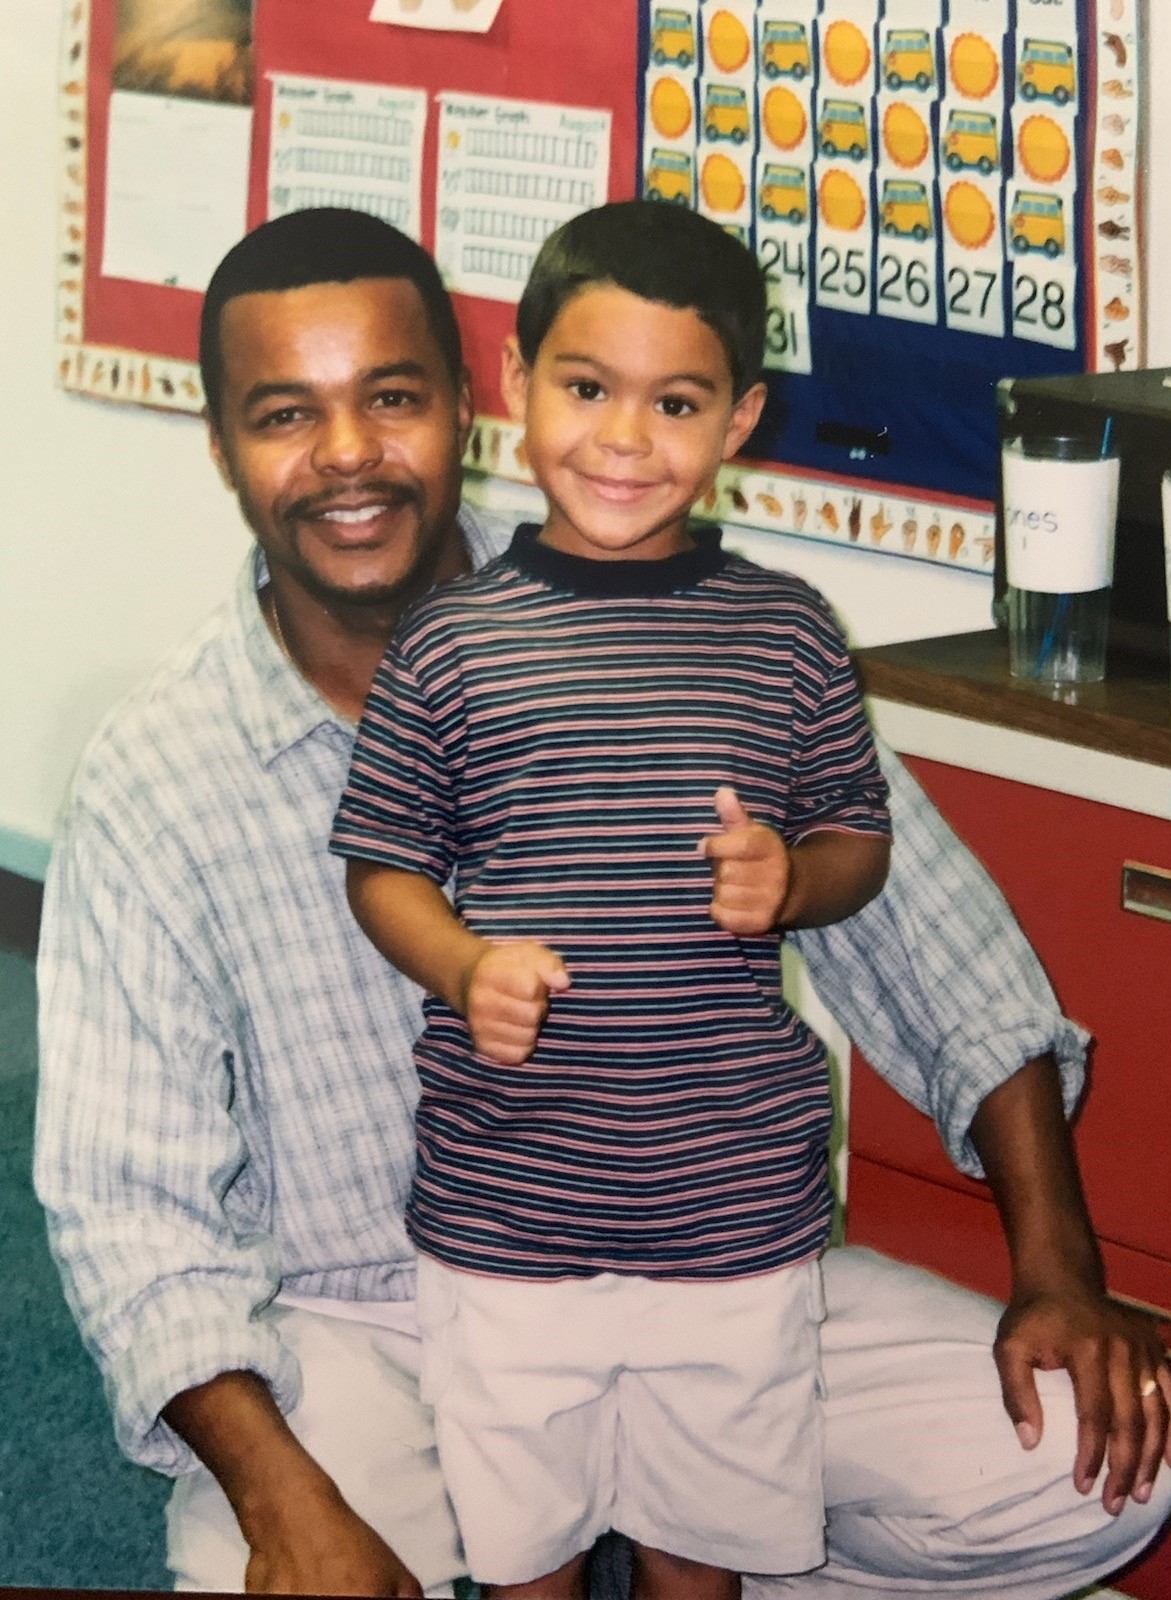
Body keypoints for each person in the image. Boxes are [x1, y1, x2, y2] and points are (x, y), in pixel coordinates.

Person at [34, 207, 1171, 1600]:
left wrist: (1056, 1270)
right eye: (286, 413)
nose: (347, 454)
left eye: (391, 398)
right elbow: (128, 1209)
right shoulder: (155, 781)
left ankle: (686, 1530)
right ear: (221, 445)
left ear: (470, 402)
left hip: (700, 1270)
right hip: (362, 1328)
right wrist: (286, 1502)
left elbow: (945, 953)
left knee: (1091, 1463)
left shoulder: (708, 619)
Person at [329, 200, 893, 1599]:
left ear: (740, 418)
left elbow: (859, 842)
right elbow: (382, 862)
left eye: (678, 401)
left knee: (704, 1549)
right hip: (507, 1209)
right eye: (586, 389)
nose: (626, 440)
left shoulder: (790, 633)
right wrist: (460, 967)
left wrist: (792, 878)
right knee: (526, 1552)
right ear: (513, 386)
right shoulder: (452, 643)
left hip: (731, 1217)